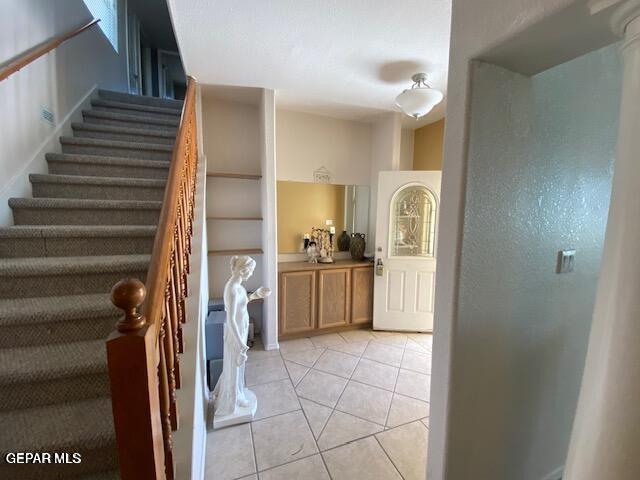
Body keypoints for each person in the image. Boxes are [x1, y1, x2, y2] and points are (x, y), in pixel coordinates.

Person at [213, 256, 271, 418]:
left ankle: (238, 393)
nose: (251, 274)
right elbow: (230, 319)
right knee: (234, 365)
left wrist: (257, 294)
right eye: (251, 271)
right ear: (243, 270)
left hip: (242, 329)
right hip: (235, 333)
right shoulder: (231, 289)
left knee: (239, 366)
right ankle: (231, 401)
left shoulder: (239, 287)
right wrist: (240, 343)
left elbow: (244, 301)